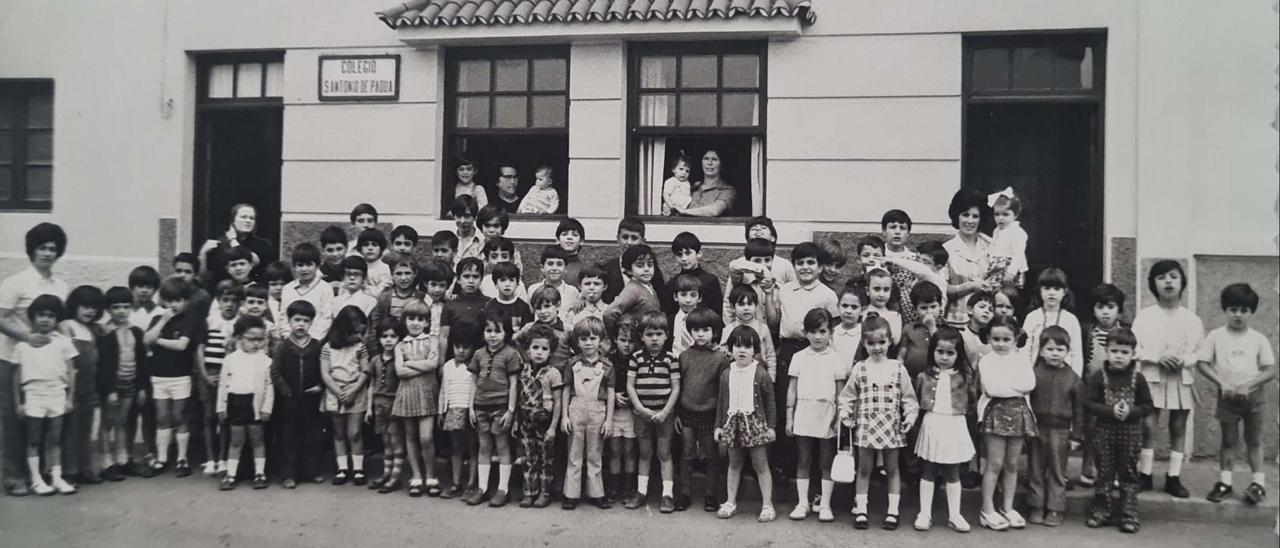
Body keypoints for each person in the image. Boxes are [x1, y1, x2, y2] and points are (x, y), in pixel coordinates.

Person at [0, 222, 69, 496]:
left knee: (45, 422)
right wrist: (27, 337)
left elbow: (61, 323)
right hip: (14, 360)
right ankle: (15, 477)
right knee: (14, 420)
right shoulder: (16, 283)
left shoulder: (60, 285)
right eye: (42, 248)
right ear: (32, 250)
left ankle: (41, 475)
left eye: (53, 248)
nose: (48, 253)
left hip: (50, 368)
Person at [1198, 283, 1276, 505]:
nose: (1238, 315)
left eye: (1244, 310)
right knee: (1228, 441)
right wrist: (1222, 382)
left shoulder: (1258, 338)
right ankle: (1225, 482)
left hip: (1254, 398)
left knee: (1254, 440)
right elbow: (1202, 363)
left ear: (1251, 312)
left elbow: (1270, 370)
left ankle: (1258, 484)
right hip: (1228, 397)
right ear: (1225, 310)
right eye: (1233, 309)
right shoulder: (1216, 336)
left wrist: (1249, 385)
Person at [839, 315, 919, 530]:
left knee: (892, 469)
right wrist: (845, 413)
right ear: (864, 344)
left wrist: (910, 417)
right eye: (871, 343)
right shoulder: (860, 368)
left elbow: (909, 398)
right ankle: (862, 510)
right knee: (864, 468)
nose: (877, 348)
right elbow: (847, 396)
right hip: (866, 425)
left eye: (882, 342)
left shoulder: (897, 368)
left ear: (890, 341)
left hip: (891, 426)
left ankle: (893, 511)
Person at [767, 242, 838, 484]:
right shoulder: (785, 290)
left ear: (819, 267)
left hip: (817, 353)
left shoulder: (828, 295)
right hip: (789, 351)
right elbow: (775, 321)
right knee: (787, 406)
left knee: (815, 408)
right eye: (800, 263)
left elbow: (833, 331)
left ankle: (817, 475)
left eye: (810, 263)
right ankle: (785, 470)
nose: (805, 267)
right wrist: (769, 295)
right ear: (794, 266)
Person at [1132, 260, 1202, 497]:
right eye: (1161, 277)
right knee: (1149, 425)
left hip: (1180, 378)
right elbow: (1134, 348)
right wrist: (1157, 357)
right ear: (1153, 284)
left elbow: (1199, 353)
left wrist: (1183, 360)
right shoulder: (1145, 316)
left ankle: (1174, 476)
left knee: (1178, 425)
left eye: (1173, 276)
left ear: (1182, 282)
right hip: (1151, 377)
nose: (1168, 282)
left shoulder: (1191, 319)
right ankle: (1146, 474)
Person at [1083, 327, 1153, 534]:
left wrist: (1131, 412)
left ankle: (1128, 515)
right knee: (1104, 473)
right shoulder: (1099, 376)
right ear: (1106, 351)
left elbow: (1148, 406)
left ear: (1133, 354)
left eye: (1124, 353)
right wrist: (1109, 411)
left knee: (1129, 474)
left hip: (1130, 433)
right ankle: (1100, 512)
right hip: (1104, 432)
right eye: (1114, 351)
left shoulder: (1138, 379)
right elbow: (1088, 403)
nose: (1119, 357)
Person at [912, 326, 976, 532]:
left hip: (954, 425)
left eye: (950, 352)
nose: (945, 357)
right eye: (940, 352)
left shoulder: (964, 378)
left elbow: (972, 401)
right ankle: (924, 513)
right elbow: (915, 399)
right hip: (932, 423)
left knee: (952, 471)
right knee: (928, 469)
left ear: (958, 355)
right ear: (933, 352)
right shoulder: (924, 377)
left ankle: (955, 514)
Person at [787, 308, 848, 523]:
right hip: (804, 411)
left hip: (827, 413)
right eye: (813, 331)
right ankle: (802, 502)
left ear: (831, 332)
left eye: (823, 331)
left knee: (825, 460)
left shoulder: (837, 359)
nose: (818, 336)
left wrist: (840, 418)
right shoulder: (799, 357)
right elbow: (792, 389)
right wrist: (789, 416)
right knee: (803, 459)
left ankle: (825, 504)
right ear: (805, 333)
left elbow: (841, 392)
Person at [976, 315, 1036, 531]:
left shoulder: (1021, 359)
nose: (1001, 344)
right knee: (995, 463)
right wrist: (1014, 387)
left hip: (1019, 413)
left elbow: (1029, 384)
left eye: (1006, 339)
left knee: (1012, 464)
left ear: (1015, 338)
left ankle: (1008, 507)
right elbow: (992, 389)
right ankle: (987, 509)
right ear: (989, 338)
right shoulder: (986, 361)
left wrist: (1008, 386)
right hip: (995, 414)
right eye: (996, 339)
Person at [15, 295, 78, 495]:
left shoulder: (63, 342)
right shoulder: (23, 345)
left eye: (51, 316)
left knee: (55, 438)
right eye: (41, 315)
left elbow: (71, 372)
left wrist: (69, 398)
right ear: (32, 317)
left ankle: (56, 477)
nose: (45, 320)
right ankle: (36, 479)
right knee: (34, 440)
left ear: (57, 319)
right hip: (33, 394)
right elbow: (15, 377)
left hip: (57, 393)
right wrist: (19, 403)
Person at [714, 325, 777, 522]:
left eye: (748, 347)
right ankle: (730, 501)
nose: (742, 351)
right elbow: (721, 402)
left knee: (761, 464)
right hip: (733, 423)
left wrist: (771, 427)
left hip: (755, 423)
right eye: (737, 346)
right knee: (734, 464)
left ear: (755, 350)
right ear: (731, 349)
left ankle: (767, 505)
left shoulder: (761, 374)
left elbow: (770, 403)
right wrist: (719, 425)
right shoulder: (727, 373)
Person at [144, 276, 203, 478]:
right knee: (162, 418)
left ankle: (182, 458)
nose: (173, 305)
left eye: (178, 300)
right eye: (169, 300)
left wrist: (157, 340)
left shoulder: (189, 320)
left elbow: (181, 345)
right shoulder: (157, 318)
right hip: (159, 376)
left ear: (186, 301)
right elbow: (146, 340)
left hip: (181, 376)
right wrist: (163, 320)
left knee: (180, 416)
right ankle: (161, 459)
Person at [1027, 326, 1084, 527]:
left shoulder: (1072, 377)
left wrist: (1077, 435)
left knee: (1058, 470)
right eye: (1050, 349)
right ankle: (1036, 505)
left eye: (1060, 349)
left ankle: (1055, 508)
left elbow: (1079, 409)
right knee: (1035, 468)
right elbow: (1027, 402)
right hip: (1037, 428)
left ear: (1067, 352)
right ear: (1041, 351)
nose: (1055, 353)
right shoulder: (1033, 374)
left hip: (1061, 431)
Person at [624, 311, 681, 513]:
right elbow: (630, 385)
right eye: (649, 334)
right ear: (642, 337)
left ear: (666, 335)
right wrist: (639, 407)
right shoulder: (636, 358)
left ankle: (667, 495)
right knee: (645, 453)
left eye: (658, 333)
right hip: (642, 414)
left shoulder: (671, 358)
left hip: (664, 414)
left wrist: (666, 411)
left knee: (664, 453)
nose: (654, 338)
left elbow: (675, 387)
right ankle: (641, 492)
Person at [466, 310, 522, 507]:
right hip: (480, 406)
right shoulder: (478, 354)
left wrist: (511, 410)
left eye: (497, 331)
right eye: (488, 330)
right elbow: (473, 382)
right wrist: (471, 407)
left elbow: (514, 384)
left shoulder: (510, 354)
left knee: (502, 445)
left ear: (505, 333)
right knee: (484, 446)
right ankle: (482, 487)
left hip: (500, 407)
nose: (492, 335)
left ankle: (503, 489)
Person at [676, 308, 727, 512]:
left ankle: (711, 494)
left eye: (705, 329)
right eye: (695, 329)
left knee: (711, 453)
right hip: (687, 412)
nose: (700, 334)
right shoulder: (684, 356)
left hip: (709, 413)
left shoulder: (720, 358)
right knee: (687, 453)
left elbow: (724, 391)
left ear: (714, 331)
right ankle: (685, 493)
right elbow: (679, 386)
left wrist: (720, 419)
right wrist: (678, 414)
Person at [269, 301, 325, 488]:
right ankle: (288, 474)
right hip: (288, 401)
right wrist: (285, 391)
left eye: (306, 321)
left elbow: (323, 371)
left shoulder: (316, 346)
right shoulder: (283, 346)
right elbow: (275, 372)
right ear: (289, 321)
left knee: (312, 436)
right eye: (297, 320)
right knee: (288, 437)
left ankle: (312, 471)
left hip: (310, 399)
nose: (301, 324)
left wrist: (319, 386)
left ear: (311, 323)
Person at [560, 317, 614, 510]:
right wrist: (565, 416)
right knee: (574, 454)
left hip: (597, 412)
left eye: (593, 338)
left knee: (594, 454)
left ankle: (597, 493)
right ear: (578, 341)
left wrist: (608, 421)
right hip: (576, 410)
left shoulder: (607, 365)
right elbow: (566, 389)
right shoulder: (572, 363)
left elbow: (611, 393)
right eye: (584, 339)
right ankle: (571, 494)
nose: (588, 343)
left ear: (601, 340)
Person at [215, 316, 273, 491]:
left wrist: (266, 408)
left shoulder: (266, 360)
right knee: (236, 440)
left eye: (260, 339)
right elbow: (223, 384)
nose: (256, 343)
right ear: (239, 338)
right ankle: (231, 474)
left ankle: (260, 474)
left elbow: (269, 387)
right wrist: (221, 407)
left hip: (255, 403)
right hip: (235, 402)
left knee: (257, 440)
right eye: (251, 339)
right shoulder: (230, 359)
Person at [96, 287, 148, 483]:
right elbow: (103, 366)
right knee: (107, 422)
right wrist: (109, 390)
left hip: (130, 383)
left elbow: (142, 362)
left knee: (123, 421)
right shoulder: (105, 333)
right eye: (116, 307)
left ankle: (123, 459)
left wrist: (142, 386)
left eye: (125, 306)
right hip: (112, 386)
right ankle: (106, 463)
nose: (121, 311)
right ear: (108, 309)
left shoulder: (136, 332)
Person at [1079, 283, 1127, 487]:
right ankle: (1087, 466)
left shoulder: (1125, 332)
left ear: (1119, 310)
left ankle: (1112, 470)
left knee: (1115, 431)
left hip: (1118, 387)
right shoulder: (1087, 331)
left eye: (1110, 307)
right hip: (1092, 387)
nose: (1105, 312)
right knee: (1091, 429)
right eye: (1100, 307)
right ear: (1093, 309)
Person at [393, 301, 441, 497]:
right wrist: (420, 365)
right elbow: (399, 371)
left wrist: (410, 363)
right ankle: (416, 475)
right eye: (411, 319)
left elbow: (433, 364)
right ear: (404, 321)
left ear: (427, 322)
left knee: (426, 437)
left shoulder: (432, 341)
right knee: (411, 436)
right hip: (407, 393)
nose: (415, 323)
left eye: (420, 319)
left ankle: (431, 475)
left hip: (427, 392)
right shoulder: (400, 345)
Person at [195, 280, 243, 478]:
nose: (229, 304)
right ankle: (210, 459)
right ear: (218, 301)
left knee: (224, 418)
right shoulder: (209, 321)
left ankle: (223, 458)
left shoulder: (240, 323)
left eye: (234, 301)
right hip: (209, 373)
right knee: (208, 417)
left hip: (229, 375)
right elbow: (199, 350)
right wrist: (205, 375)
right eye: (225, 300)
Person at [59, 285, 104, 485]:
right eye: (85, 306)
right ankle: (69, 471)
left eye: (94, 307)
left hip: (90, 384)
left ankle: (86, 468)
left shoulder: (93, 329)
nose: (90, 311)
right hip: (71, 384)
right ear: (74, 306)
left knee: (86, 429)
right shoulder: (67, 325)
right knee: (70, 428)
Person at [321, 305, 370, 486]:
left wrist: (353, 390)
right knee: (339, 432)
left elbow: (365, 371)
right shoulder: (328, 348)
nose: (358, 337)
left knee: (354, 432)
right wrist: (338, 391)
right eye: (355, 333)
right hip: (335, 393)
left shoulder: (360, 347)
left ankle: (358, 468)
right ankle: (342, 468)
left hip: (355, 392)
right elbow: (325, 374)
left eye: (361, 333)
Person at [515, 324, 564, 508]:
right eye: (535, 348)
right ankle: (529, 492)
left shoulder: (553, 373)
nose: (539, 352)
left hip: (545, 422)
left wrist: (553, 428)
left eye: (544, 349)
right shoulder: (524, 369)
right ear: (528, 350)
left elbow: (558, 402)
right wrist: (530, 326)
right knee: (529, 458)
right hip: (526, 421)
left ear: (550, 352)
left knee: (546, 460)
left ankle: (544, 493)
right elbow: (517, 339)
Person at [438, 325, 480, 500]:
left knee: (472, 447)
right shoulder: (447, 366)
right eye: (458, 347)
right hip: (453, 409)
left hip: (468, 409)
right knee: (456, 447)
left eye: (466, 347)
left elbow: (476, 388)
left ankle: (471, 483)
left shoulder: (474, 366)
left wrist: (474, 409)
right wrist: (441, 411)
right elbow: (443, 389)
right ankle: (456, 482)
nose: (461, 351)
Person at [943, 189, 995, 326]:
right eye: (965, 215)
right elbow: (942, 289)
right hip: (956, 321)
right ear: (957, 216)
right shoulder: (946, 250)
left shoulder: (992, 247)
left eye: (975, 216)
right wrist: (972, 286)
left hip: (987, 323)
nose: (970, 221)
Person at [365, 317, 405, 494]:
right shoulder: (375, 360)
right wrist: (368, 408)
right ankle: (386, 473)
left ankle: (396, 477)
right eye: (384, 336)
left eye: (393, 336)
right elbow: (371, 385)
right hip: (379, 405)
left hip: (394, 404)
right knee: (386, 441)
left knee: (396, 441)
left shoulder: (400, 359)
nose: (388, 340)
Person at [1023, 268, 1084, 377]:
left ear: (1064, 292)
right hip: (1037, 373)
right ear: (1040, 290)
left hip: (1064, 374)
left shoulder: (1071, 320)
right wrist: (1026, 377)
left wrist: (1074, 380)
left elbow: (1076, 354)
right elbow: (1025, 350)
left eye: (1056, 289)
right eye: (1047, 288)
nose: (1051, 293)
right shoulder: (1032, 318)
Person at [606, 316, 639, 504]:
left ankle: (628, 488)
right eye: (623, 340)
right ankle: (613, 487)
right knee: (615, 450)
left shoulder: (638, 359)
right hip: (614, 412)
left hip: (632, 413)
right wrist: (615, 396)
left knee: (629, 450)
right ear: (615, 340)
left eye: (631, 341)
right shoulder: (609, 359)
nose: (627, 345)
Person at [601, 218, 669, 309]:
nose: (629, 243)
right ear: (618, 239)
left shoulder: (651, 270)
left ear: (643, 241)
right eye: (625, 237)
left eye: (634, 238)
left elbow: (662, 299)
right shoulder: (608, 268)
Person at [199, 203, 275, 285]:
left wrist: (233, 240)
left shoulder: (262, 244)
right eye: (243, 217)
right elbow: (204, 277)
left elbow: (253, 260)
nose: (248, 221)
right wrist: (203, 253)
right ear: (233, 221)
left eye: (252, 218)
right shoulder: (219, 243)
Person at [437, 257, 488, 365]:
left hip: (480, 361)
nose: (470, 281)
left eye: (475, 277)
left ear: (481, 279)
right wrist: (441, 364)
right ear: (458, 279)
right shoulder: (450, 305)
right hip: (455, 358)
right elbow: (444, 337)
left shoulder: (488, 304)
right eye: (466, 276)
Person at [280, 243, 334, 341]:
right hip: (290, 342)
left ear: (317, 265)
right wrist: (289, 338)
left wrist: (312, 340)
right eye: (300, 265)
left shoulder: (325, 289)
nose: (304, 269)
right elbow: (284, 317)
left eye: (309, 265)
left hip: (315, 341)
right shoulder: (288, 289)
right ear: (294, 266)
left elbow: (326, 318)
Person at [721, 284, 776, 381]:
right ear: (733, 307)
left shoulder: (762, 328)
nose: (746, 308)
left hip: (758, 376)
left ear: (756, 305)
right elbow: (722, 352)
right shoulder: (728, 330)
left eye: (750, 304)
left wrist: (771, 378)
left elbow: (770, 355)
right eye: (741, 304)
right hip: (736, 376)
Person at [603, 245, 662, 333]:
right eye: (640, 265)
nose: (646, 269)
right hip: (636, 339)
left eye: (650, 265)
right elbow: (609, 314)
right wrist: (618, 335)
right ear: (629, 270)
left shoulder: (649, 286)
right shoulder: (632, 289)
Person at [668, 232, 724, 319]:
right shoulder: (673, 283)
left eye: (688, 253)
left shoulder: (710, 281)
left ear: (699, 253)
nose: (684, 258)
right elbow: (670, 313)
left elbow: (717, 313)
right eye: (679, 254)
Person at [898, 281, 944, 377]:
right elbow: (901, 356)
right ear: (915, 309)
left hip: (936, 378)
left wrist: (932, 327)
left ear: (940, 306)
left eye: (933, 307)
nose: (929, 312)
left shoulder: (945, 329)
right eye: (923, 308)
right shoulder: (909, 329)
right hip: (912, 377)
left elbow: (941, 346)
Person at [526, 245, 579, 326]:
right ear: (542, 268)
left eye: (559, 264)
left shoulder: (572, 292)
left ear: (566, 269)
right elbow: (530, 314)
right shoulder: (533, 289)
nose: (554, 268)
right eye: (550, 264)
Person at [674, 150, 736, 217]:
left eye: (714, 159)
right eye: (706, 159)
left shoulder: (728, 190)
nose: (709, 163)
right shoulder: (692, 187)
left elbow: (714, 211)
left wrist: (684, 211)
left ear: (721, 165)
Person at [987, 187, 1028, 288]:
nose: (1000, 218)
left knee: (1008, 292)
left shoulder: (1017, 232)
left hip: (1011, 268)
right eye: (997, 214)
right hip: (997, 266)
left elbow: (1018, 254)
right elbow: (993, 247)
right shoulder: (996, 230)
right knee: (994, 290)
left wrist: (1011, 272)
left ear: (1015, 215)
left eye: (1005, 214)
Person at [367, 258, 419, 326]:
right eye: (398, 274)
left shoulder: (421, 297)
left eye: (407, 273)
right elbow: (375, 324)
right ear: (392, 275)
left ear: (415, 274)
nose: (403, 278)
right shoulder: (384, 298)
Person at [477, 206, 524, 273]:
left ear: (503, 228)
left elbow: (517, 275)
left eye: (496, 226)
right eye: (487, 225)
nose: (491, 230)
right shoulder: (475, 249)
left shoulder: (511, 251)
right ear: (481, 227)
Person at [333, 256, 378, 322]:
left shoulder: (371, 302)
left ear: (364, 277)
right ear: (342, 277)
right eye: (348, 274)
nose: (352, 278)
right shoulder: (334, 302)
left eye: (356, 274)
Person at [830, 284, 865, 368]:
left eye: (854, 307)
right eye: (845, 306)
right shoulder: (831, 332)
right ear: (838, 306)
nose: (849, 311)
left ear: (862, 310)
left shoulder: (864, 333)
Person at [864, 269, 902, 344]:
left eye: (886, 290)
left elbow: (896, 341)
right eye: (877, 289)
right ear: (867, 291)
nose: (882, 295)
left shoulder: (894, 317)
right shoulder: (861, 314)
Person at [669, 275, 701, 357]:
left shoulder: (705, 319)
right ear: (675, 297)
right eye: (683, 295)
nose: (688, 300)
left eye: (693, 295)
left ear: (700, 298)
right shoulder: (669, 321)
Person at [356, 228, 391, 296]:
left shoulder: (385, 269)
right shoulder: (356, 266)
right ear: (360, 249)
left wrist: (364, 287)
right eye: (366, 245)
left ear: (381, 248)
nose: (370, 248)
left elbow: (381, 292)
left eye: (374, 245)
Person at [450, 195, 485, 264]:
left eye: (467, 216)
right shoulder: (449, 240)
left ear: (475, 217)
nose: (462, 221)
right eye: (459, 216)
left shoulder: (482, 241)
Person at [555, 218, 586, 286]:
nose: (569, 238)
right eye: (564, 234)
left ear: (581, 241)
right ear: (557, 240)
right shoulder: (550, 267)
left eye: (574, 235)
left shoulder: (584, 270)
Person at [319, 225, 349, 291]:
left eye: (339, 249)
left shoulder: (353, 269)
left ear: (346, 248)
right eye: (330, 250)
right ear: (323, 251)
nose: (335, 254)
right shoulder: (318, 273)